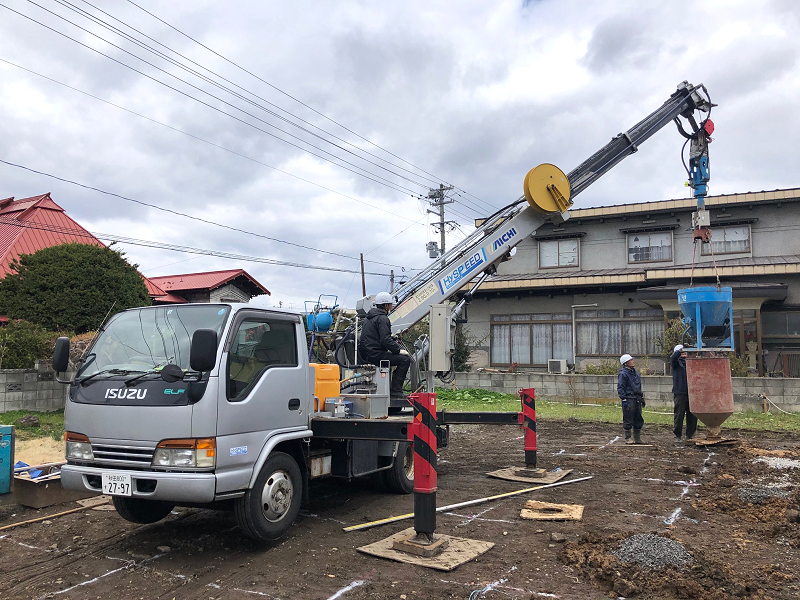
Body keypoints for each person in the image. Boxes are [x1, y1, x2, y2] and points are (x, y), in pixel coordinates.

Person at [357, 292, 411, 399]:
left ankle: (392, 389)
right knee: (404, 360)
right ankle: (396, 391)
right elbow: (385, 340)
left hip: (367, 353)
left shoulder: (369, 318)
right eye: (390, 304)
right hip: (376, 355)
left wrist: (390, 337)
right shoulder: (383, 319)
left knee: (395, 359)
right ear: (386, 305)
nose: (391, 306)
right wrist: (398, 350)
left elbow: (376, 336)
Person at [671, 344, 697, 443]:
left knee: (692, 415)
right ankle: (678, 435)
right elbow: (673, 358)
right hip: (680, 392)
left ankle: (690, 435)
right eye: (682, 351)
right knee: (679, 415)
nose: (685, 353)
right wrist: (679, 351)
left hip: (691, 392)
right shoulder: (676, 363)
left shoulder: (690, 363)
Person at [617, 353, 645, 445]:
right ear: (626, 363)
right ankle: (628, 438)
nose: (633, 361)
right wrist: (624, 399)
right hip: (629, 398)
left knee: (638, 418)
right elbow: (621, 387)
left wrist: (641, 397)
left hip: (636, 398)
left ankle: (637, 438)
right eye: (630, 360)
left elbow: (638, 386)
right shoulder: (623, 374)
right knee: (628, 418)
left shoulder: (635, 373)